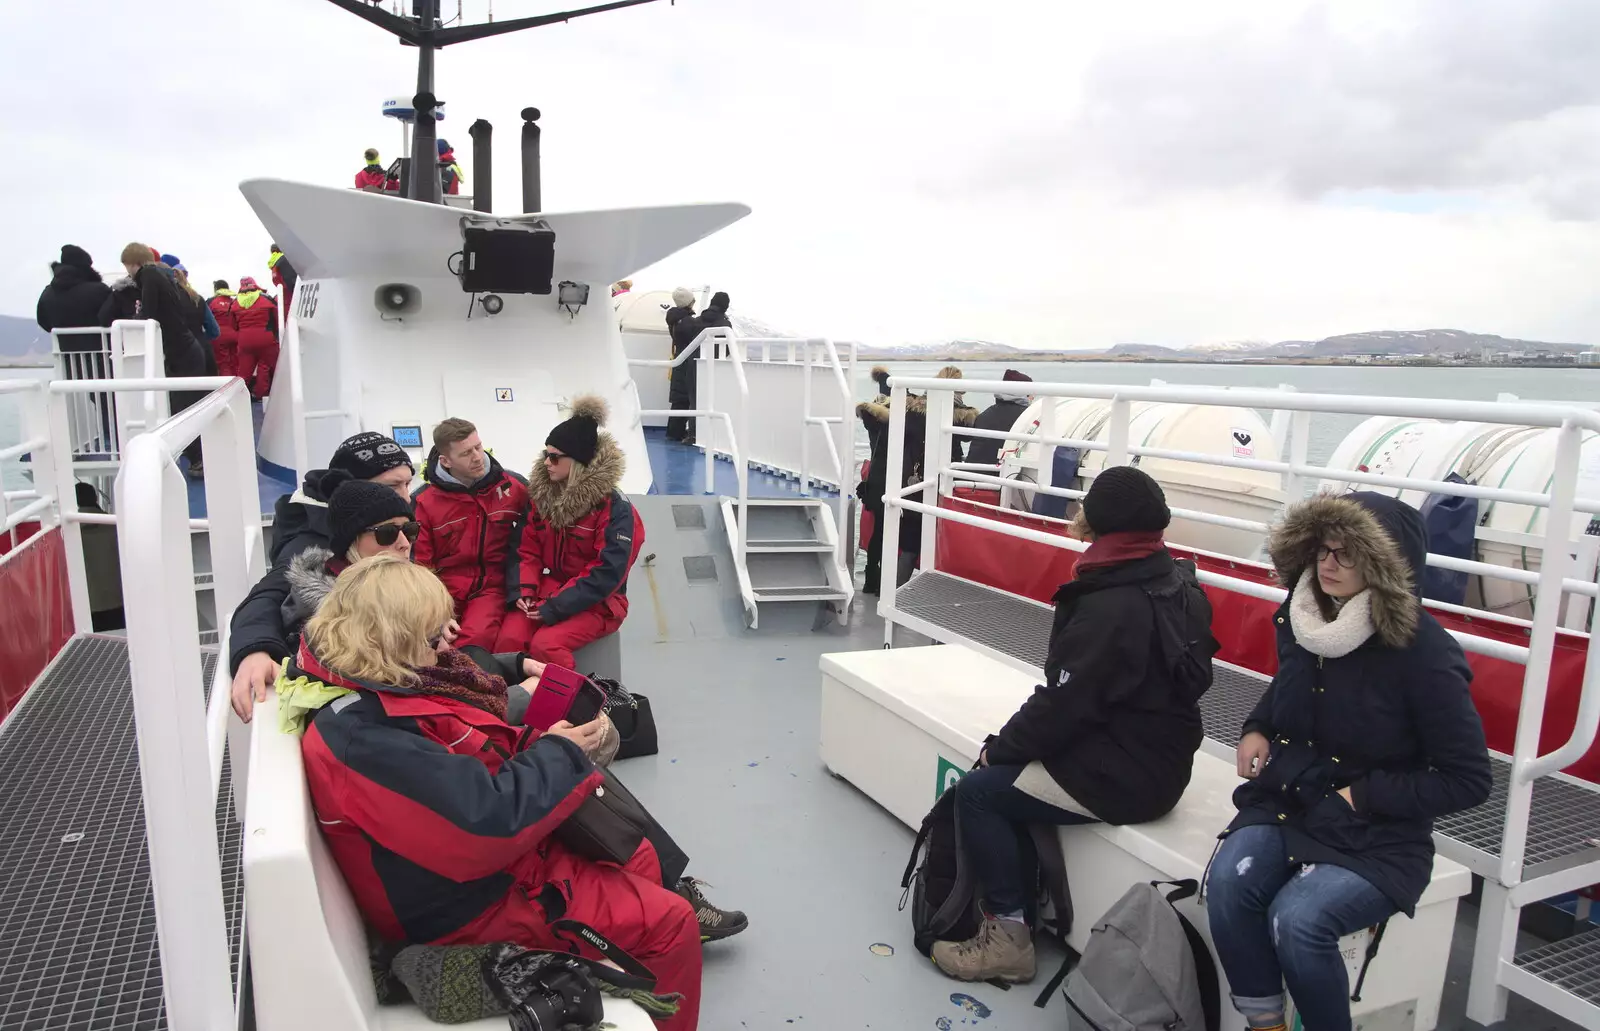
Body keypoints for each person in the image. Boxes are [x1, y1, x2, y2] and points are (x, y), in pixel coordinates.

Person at [291, 556, 704, 1030]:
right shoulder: (365, 742)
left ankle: (631, 986)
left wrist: (546, 742)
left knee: (641, 858)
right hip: (469, 911)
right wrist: (561, 754)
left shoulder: (385, 690)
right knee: (672, 925)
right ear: (389, 639)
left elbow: (468, 758)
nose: (444, 645)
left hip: (476, 876)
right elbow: (482, 828)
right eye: (430, 637)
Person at [1206, 492, 1492, 1031]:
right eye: (1322, 550)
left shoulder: (1424, 653)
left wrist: (1362, 795)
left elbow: (1469, 780)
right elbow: (1288, 690)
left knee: (1299, 920)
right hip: (1292, 802)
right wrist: (1257, 727)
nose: (1329, 564)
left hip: (1377, 832)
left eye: (1348, 553)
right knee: (1228, 883)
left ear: (1385, 566)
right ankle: (1264, 1023)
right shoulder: (1306, 620)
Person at [930, 466, 1215, 983]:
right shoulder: (1177, 582)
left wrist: (1002, 749)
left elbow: (1065, 705)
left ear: (1101, 524)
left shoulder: (1111, 605)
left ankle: (1008, 940)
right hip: (1162, 762)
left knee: (979, 792)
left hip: (1125, 779)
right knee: (1010, 770)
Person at [228, 431, 416, 719]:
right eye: (392, 486)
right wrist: (255, 649)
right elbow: (268, 593)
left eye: (408, 483)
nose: (405, 496)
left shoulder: (389, 518)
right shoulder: (308, 542)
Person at [493, 396, 643, 668]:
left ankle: (573, 706)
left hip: (601, 602)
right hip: (554, 589)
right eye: (545, 455)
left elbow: (607, 571)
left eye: (554, 457)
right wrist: (525, 591)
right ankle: (512, 704)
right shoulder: (543, 498)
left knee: (546, 645)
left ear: (577, 461)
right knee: (509, 640)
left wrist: (555, 607)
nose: (547, 462)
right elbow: (525, 549)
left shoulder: (615, 509)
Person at [412, 418, 530, 649]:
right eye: (466, 453)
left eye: (478, 447)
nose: (477, 457)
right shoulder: (424, 502)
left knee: (474, 642)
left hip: (490, 587)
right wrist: (435, 612)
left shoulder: (513, 487)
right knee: (428, 642)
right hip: (442, 590)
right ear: (446, 461)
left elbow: (539, 532)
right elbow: (420, 567)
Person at [855, 365, 975, 592]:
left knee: (891, 534)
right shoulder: (949, 415)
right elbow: (965, 433)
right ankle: (897, 589)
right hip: (925, 483)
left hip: (899, 481)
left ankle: (881, 584)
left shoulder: (904, 415)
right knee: (915, 539)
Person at [115, 242, 212, 476]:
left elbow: (148, 311)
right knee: (185, 406)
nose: (128, 271)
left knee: (182, 408)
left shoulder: (148, 275)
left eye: (127, 266)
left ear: (133, 263)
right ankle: (198, 457)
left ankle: (199, 459)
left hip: (182, 353)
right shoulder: (162, 276)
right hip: (187, 350)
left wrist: (134, 320)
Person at [37, 244, 111, 346]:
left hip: (67, 357)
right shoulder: (100, 291)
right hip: (101, 357)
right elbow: (113, 318)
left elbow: (44, 322)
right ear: (86, 268)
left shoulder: (47, 294)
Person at [964, 369, 1032, 467]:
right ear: (1022, 393)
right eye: (1030, 394)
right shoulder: (1026, 416)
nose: (1032, 398)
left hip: (971, 472)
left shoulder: (985, 415)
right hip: (998, 475)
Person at [233, 276, 279, 400]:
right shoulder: (266, 299)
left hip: (245, 340)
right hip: (266, 339)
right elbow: (277, 319)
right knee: (277, 369)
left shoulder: (235, 302)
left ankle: (236, 399)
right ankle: (267, 395)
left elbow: (233, 324)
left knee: (243, 374)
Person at [664, 286, 698, 443]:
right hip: (687, 362)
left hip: (679, 358)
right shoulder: (687, 322)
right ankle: (677, 432)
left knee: (678, 397)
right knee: (684, 397)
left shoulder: (674, 319)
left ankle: (673, 431)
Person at [208, 280, 240, 378]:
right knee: (236, 363)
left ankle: (226, 389)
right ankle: (238, 388)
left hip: (219, 335)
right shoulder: (234, 301)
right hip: (235, 335)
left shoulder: (211, 301)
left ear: (216, 289)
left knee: (223, 364)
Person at [269, 243, 297, 311]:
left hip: (283, 294)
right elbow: (291, 277)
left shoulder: (273, 262)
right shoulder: (284, 259)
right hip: (291, 293)